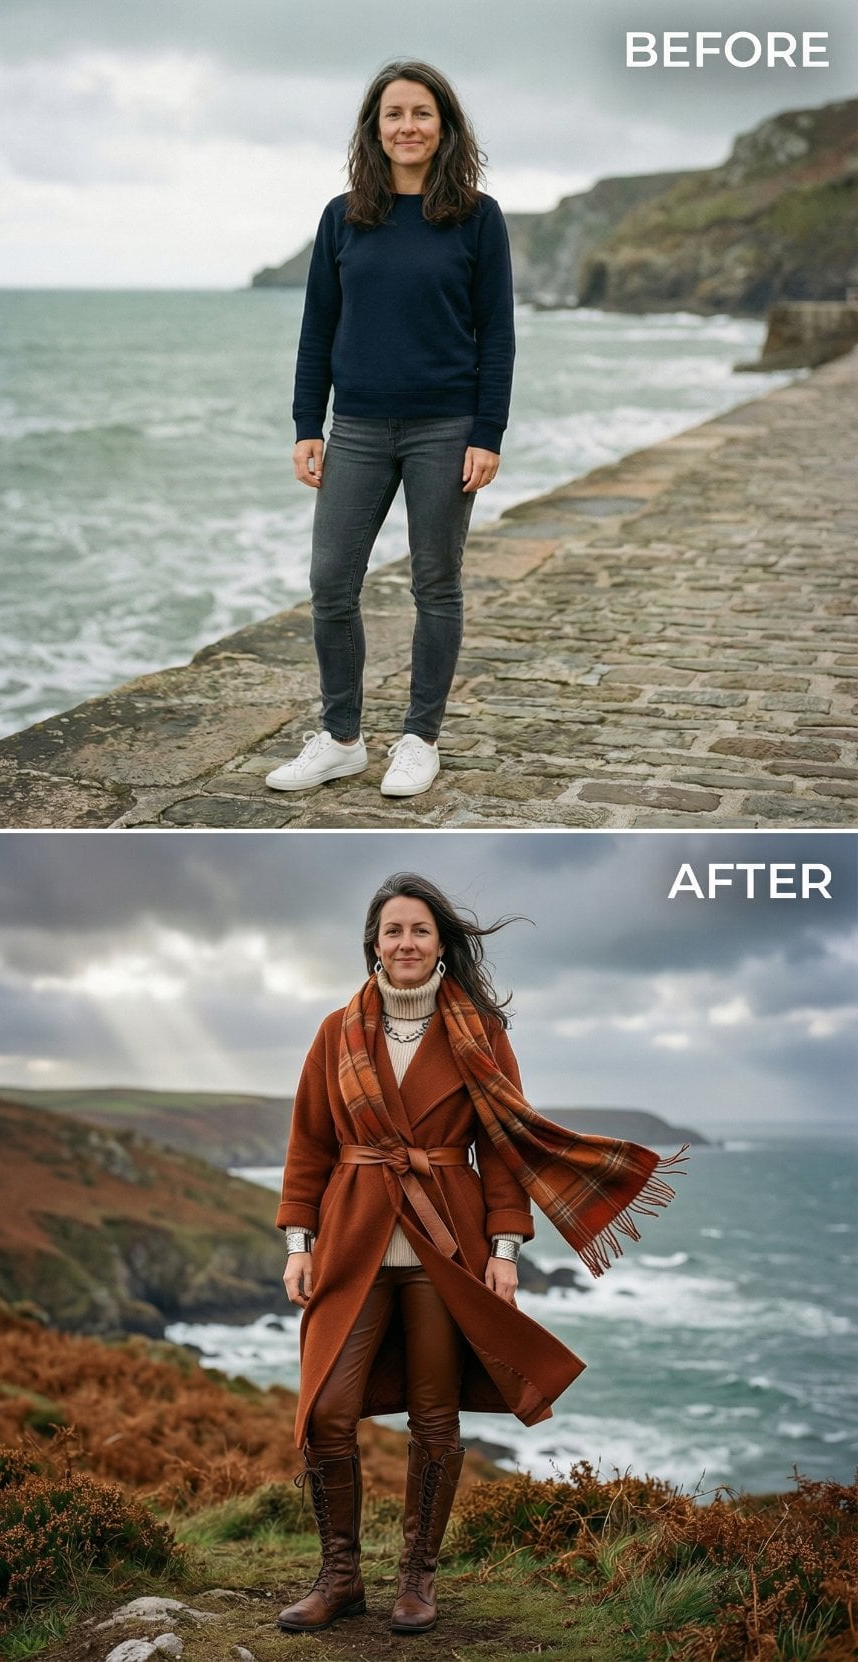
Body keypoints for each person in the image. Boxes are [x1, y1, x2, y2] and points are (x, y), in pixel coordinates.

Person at [275, 873, 686, 1635]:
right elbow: (309, 1143)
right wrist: (298, 1242)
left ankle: (417, 1583)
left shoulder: (481, 1031)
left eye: (420, 931)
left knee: (436, 1416)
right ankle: (339, 1578)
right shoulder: (336, 1030)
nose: (405, 943)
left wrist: (506, 1249)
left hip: (447, 1240)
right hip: (353, 1235)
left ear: (441, 943)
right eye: (393, 930)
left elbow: (500, 1149)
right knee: (325, 1412)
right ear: (374, 942)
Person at [265, 61, 515, 800]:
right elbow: (319, 328)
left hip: (447, 427)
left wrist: (487, 432)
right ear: (375, 130)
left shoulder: (478, 216)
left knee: (436, 584)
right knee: (330, 581)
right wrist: (308, 422)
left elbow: (496, 336)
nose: (408, 126)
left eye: (422, 114)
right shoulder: (343, 216)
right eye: (394, 114)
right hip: (361, 429)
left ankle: (420, 738)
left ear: (445, 127)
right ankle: (342, 738)